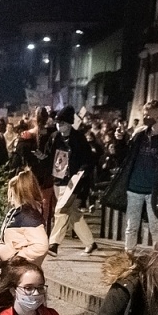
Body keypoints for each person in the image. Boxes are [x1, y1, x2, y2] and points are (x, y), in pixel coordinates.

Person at [103, 99, 158, 252]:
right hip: (134, 188)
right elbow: (124, 157)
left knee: (156, 227)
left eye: (148, 115)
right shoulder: (140, 135)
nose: (145, 117)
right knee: (131, 225)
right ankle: (129, 255)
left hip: (154, 191)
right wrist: (119, 141)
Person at [48, 106, 97, 255]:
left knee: (61, 210)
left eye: (61, 123)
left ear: (69, 124)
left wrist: (81, 173)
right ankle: (90, 243)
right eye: (57, 123)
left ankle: (54, 244)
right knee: (72, 213)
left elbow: (88, 159)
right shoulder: (55, 137)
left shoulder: (79, 139)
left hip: (73, 181)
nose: (59, 125)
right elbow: (49, 155)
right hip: (58, 180)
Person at [0, 169, 49, 266]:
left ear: (19, 194)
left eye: (12, 195)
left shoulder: (28, 216)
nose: (10, 200)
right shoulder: (21, 213)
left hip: (21, 273)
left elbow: (41, 246)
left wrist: (16, 258)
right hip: (14, 271)